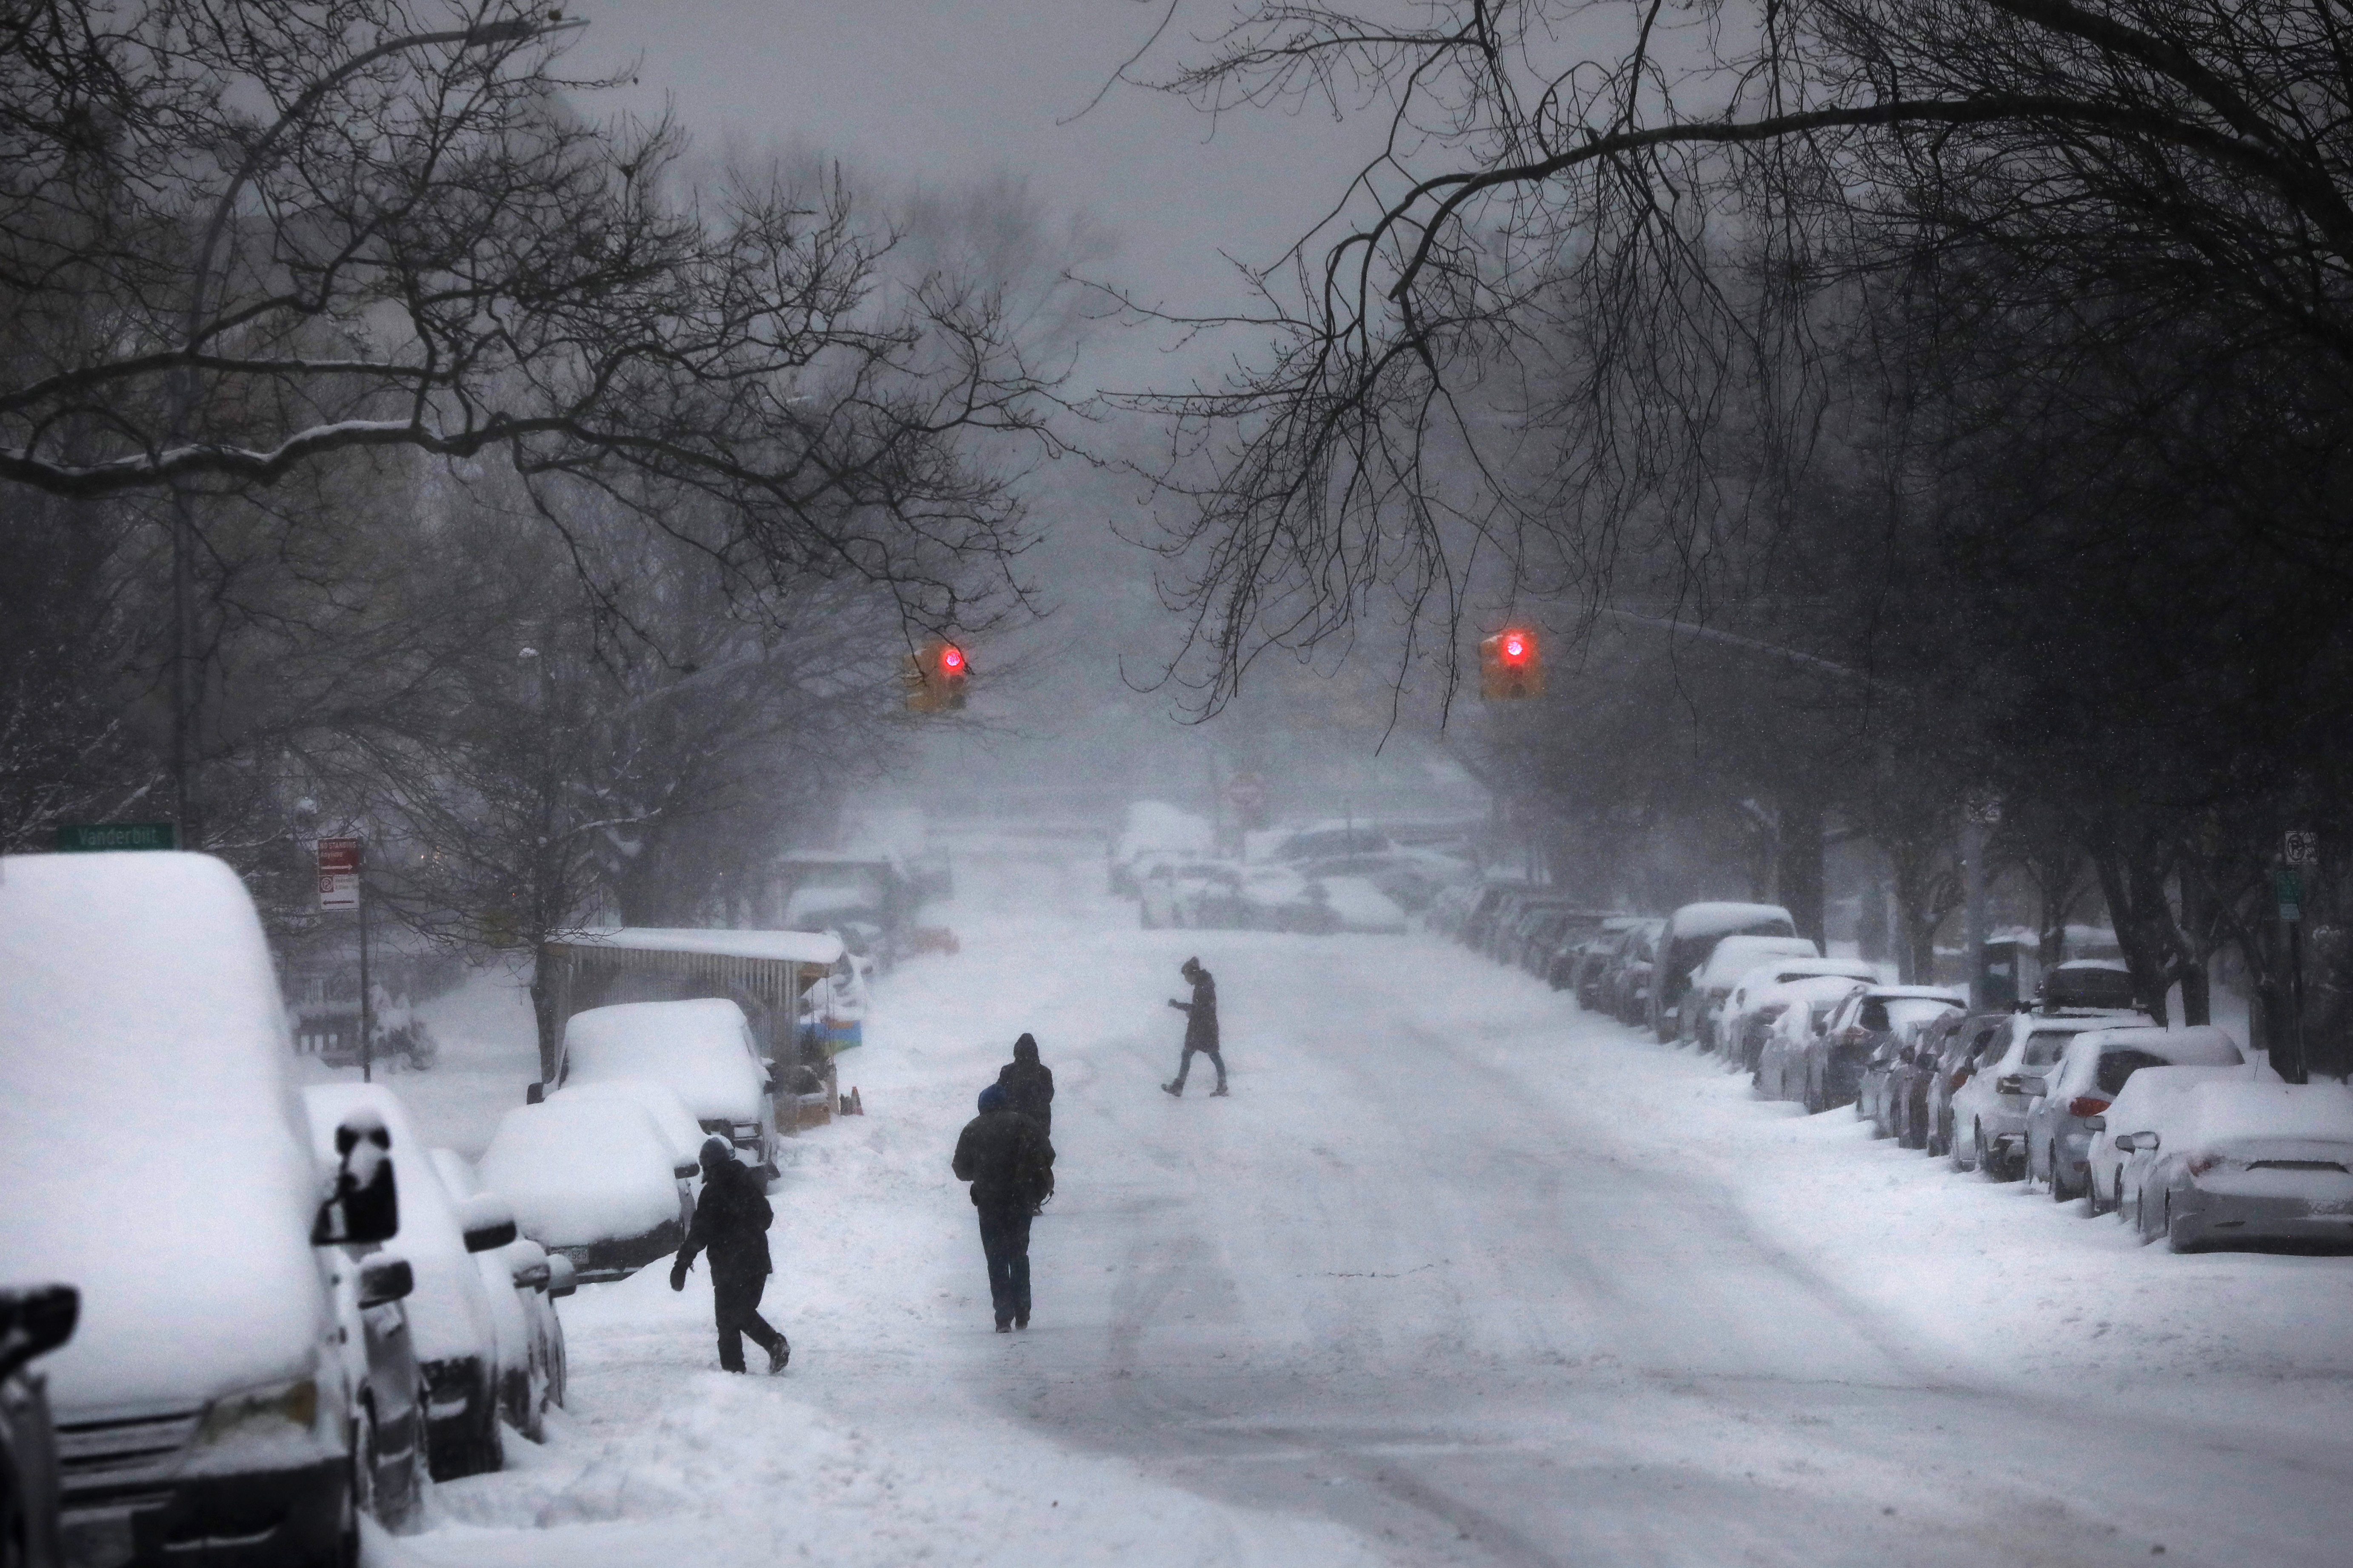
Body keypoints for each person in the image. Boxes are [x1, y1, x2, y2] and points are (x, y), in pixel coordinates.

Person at [671, 1136, 789, 1374]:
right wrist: (747, 1230)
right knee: (740, 1314)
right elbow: (766, 1217)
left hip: (729, 1267)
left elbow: (699, 1234)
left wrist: (682, 1264)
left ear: (707, 1166)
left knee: (728, 1320)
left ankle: (734, 1374)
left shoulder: (712, 1193)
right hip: (756, 1264)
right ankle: (773, 1346)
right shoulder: (746, 1182)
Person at [951, 1084, 1055, 1331]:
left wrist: (982, 1173)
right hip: (1021, 1200)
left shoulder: (973, 1129)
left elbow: (960, 1169)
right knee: (1019, 1254)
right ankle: (1023, 1311)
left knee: (996, 1258)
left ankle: (1003, 1316)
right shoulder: (1025, 1124)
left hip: (989, 1204)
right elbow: (1049, 1154)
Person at [1162, 955, 1227, 1097]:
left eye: (1186, 976)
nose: (1186, 980)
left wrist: (1180, 1006)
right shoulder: (1203, 984)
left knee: (1209, 1055)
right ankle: (1222, 1086)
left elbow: (1201, 1009)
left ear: (1193, 974)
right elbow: (1202, 1008)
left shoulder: (1203, 987)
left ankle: (1179, 1087)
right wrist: (1191, 1011)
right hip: (1205, 1027)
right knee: (1205, 1055)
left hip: (1203, 1029)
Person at [996, 1032, 1054, 1138]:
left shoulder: (1008, 1071)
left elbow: (998, 1094)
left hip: (1014, 1124)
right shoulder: (1044, 1072)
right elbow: (1048, 1096)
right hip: (1037, 1124)